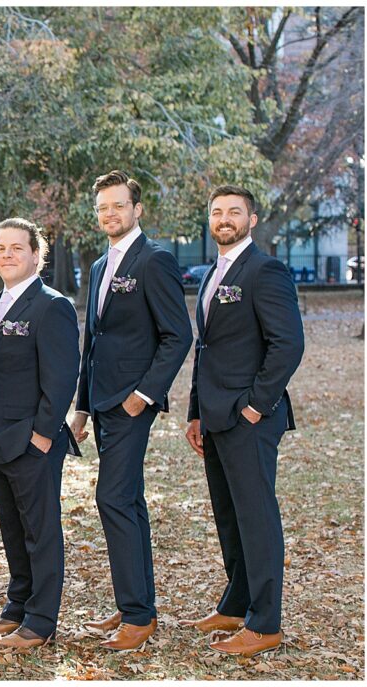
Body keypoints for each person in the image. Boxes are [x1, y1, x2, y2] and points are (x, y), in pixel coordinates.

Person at [70, 170, 192, 651]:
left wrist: (143, 394)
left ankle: (139, 617)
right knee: (129, 501)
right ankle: (134, 604)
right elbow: (92, 343)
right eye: (102, 207)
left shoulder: (155, 260)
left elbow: (177, 335)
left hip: (130, 404)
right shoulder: (101, 266)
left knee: (114, 499)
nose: (109, 214)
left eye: (118, 205)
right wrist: (81, 407)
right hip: (101, 403)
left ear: (137, 209)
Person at [181, 185, 304, 657]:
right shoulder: (214, 272)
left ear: (252, 220)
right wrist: (196, 411)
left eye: (235, 212)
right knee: (229, 517)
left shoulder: (265, 270)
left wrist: (256, 405)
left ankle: (265, 622)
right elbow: (206, 348)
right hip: (214, 417)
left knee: (256, 518)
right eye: (217, 212)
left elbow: (287, 344)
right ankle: (235, 603)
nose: (224, 219)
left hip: (249, 417)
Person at [0, 218, 80, 649]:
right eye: (0, 248)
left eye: (17, 247)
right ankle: (16, 606)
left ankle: (40, 621)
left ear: (37, 254)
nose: (8, 255)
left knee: (40, 530)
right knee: (12, 528)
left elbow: (61, 377)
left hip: (31, 440)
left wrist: (42, 435)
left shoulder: (52, 305)